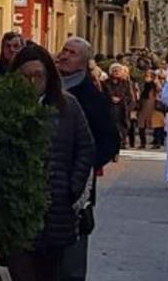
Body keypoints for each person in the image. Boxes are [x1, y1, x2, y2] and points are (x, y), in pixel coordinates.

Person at [6, 44, 95, 281]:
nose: (32, 82)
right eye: (26, 76)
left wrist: (71, 187)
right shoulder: (4, 108)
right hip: (17, 213)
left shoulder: (68, 106)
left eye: (38, 75)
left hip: (57, 212)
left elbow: (86, 148)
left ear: (48, 76)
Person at [55, 37, 120, 281]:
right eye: (64, 50)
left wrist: (86, 167)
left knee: (72, 256)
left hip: (76, 189)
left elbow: (110, 140)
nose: (63, 55)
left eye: (71, 53)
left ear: (83, 63)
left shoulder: (92, 97)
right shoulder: (47, 88)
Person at [104, 64, 135, 149]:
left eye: (118, 71)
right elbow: (102, 95)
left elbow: (130, 96)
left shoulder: (125, 83)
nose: (116, 72)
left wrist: (121, 99)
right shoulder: (106, 83)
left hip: (122, 108)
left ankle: (122, 142)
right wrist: (110, 98)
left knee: (122, 126)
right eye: (114, 71)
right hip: (110, 108)